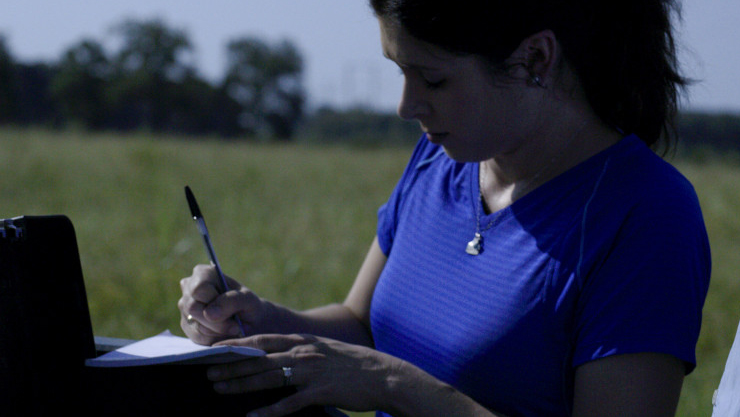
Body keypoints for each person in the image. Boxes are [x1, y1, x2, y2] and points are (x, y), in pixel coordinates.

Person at [178, 1, 711, 416]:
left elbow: (378, 366)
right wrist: (258, 322)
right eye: (399, 71)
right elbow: (363, 326)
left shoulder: (646, 215)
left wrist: (393, 385)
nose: (405, 106)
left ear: (536, 59)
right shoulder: (443, 157)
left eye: (432, 79)